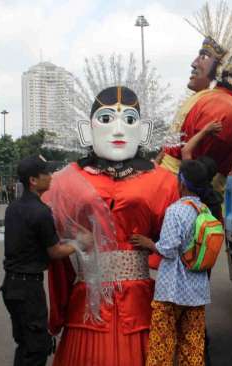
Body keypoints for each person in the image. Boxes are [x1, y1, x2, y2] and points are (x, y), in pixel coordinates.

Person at [45, 86, 180, 366]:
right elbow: (54, 252)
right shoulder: (64, 181)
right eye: (106, 119)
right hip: (88, 302)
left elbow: (174, 249)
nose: (118, 130)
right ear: (87, 130)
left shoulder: (163, 181)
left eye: (129, 120)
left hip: (139, 302)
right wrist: (57, 312)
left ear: (143, 130)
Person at [160, 2, 232, 197]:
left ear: (221, 68)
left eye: (204, 56)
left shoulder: (219, 106)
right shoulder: (210, 100)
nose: (194, 63)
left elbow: (193, 166)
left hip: (184, 198)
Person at [131, 159, 217, 366]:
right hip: (197, 290)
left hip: (172, 290)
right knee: (193, 345)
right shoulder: (205, 210)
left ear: (181, 183)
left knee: (162, 344)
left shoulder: (176, 211)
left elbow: (168, 249)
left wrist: (149, 243)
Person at [1, 155, 78, 366]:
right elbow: (55, 252)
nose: (51, 176)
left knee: (25, 343)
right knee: (36, 348)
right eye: (46, 173)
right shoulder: (41, 211)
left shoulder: (13, 207)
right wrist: (80, 243)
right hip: (28, 289)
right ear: (33, 180)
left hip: (11, 285)